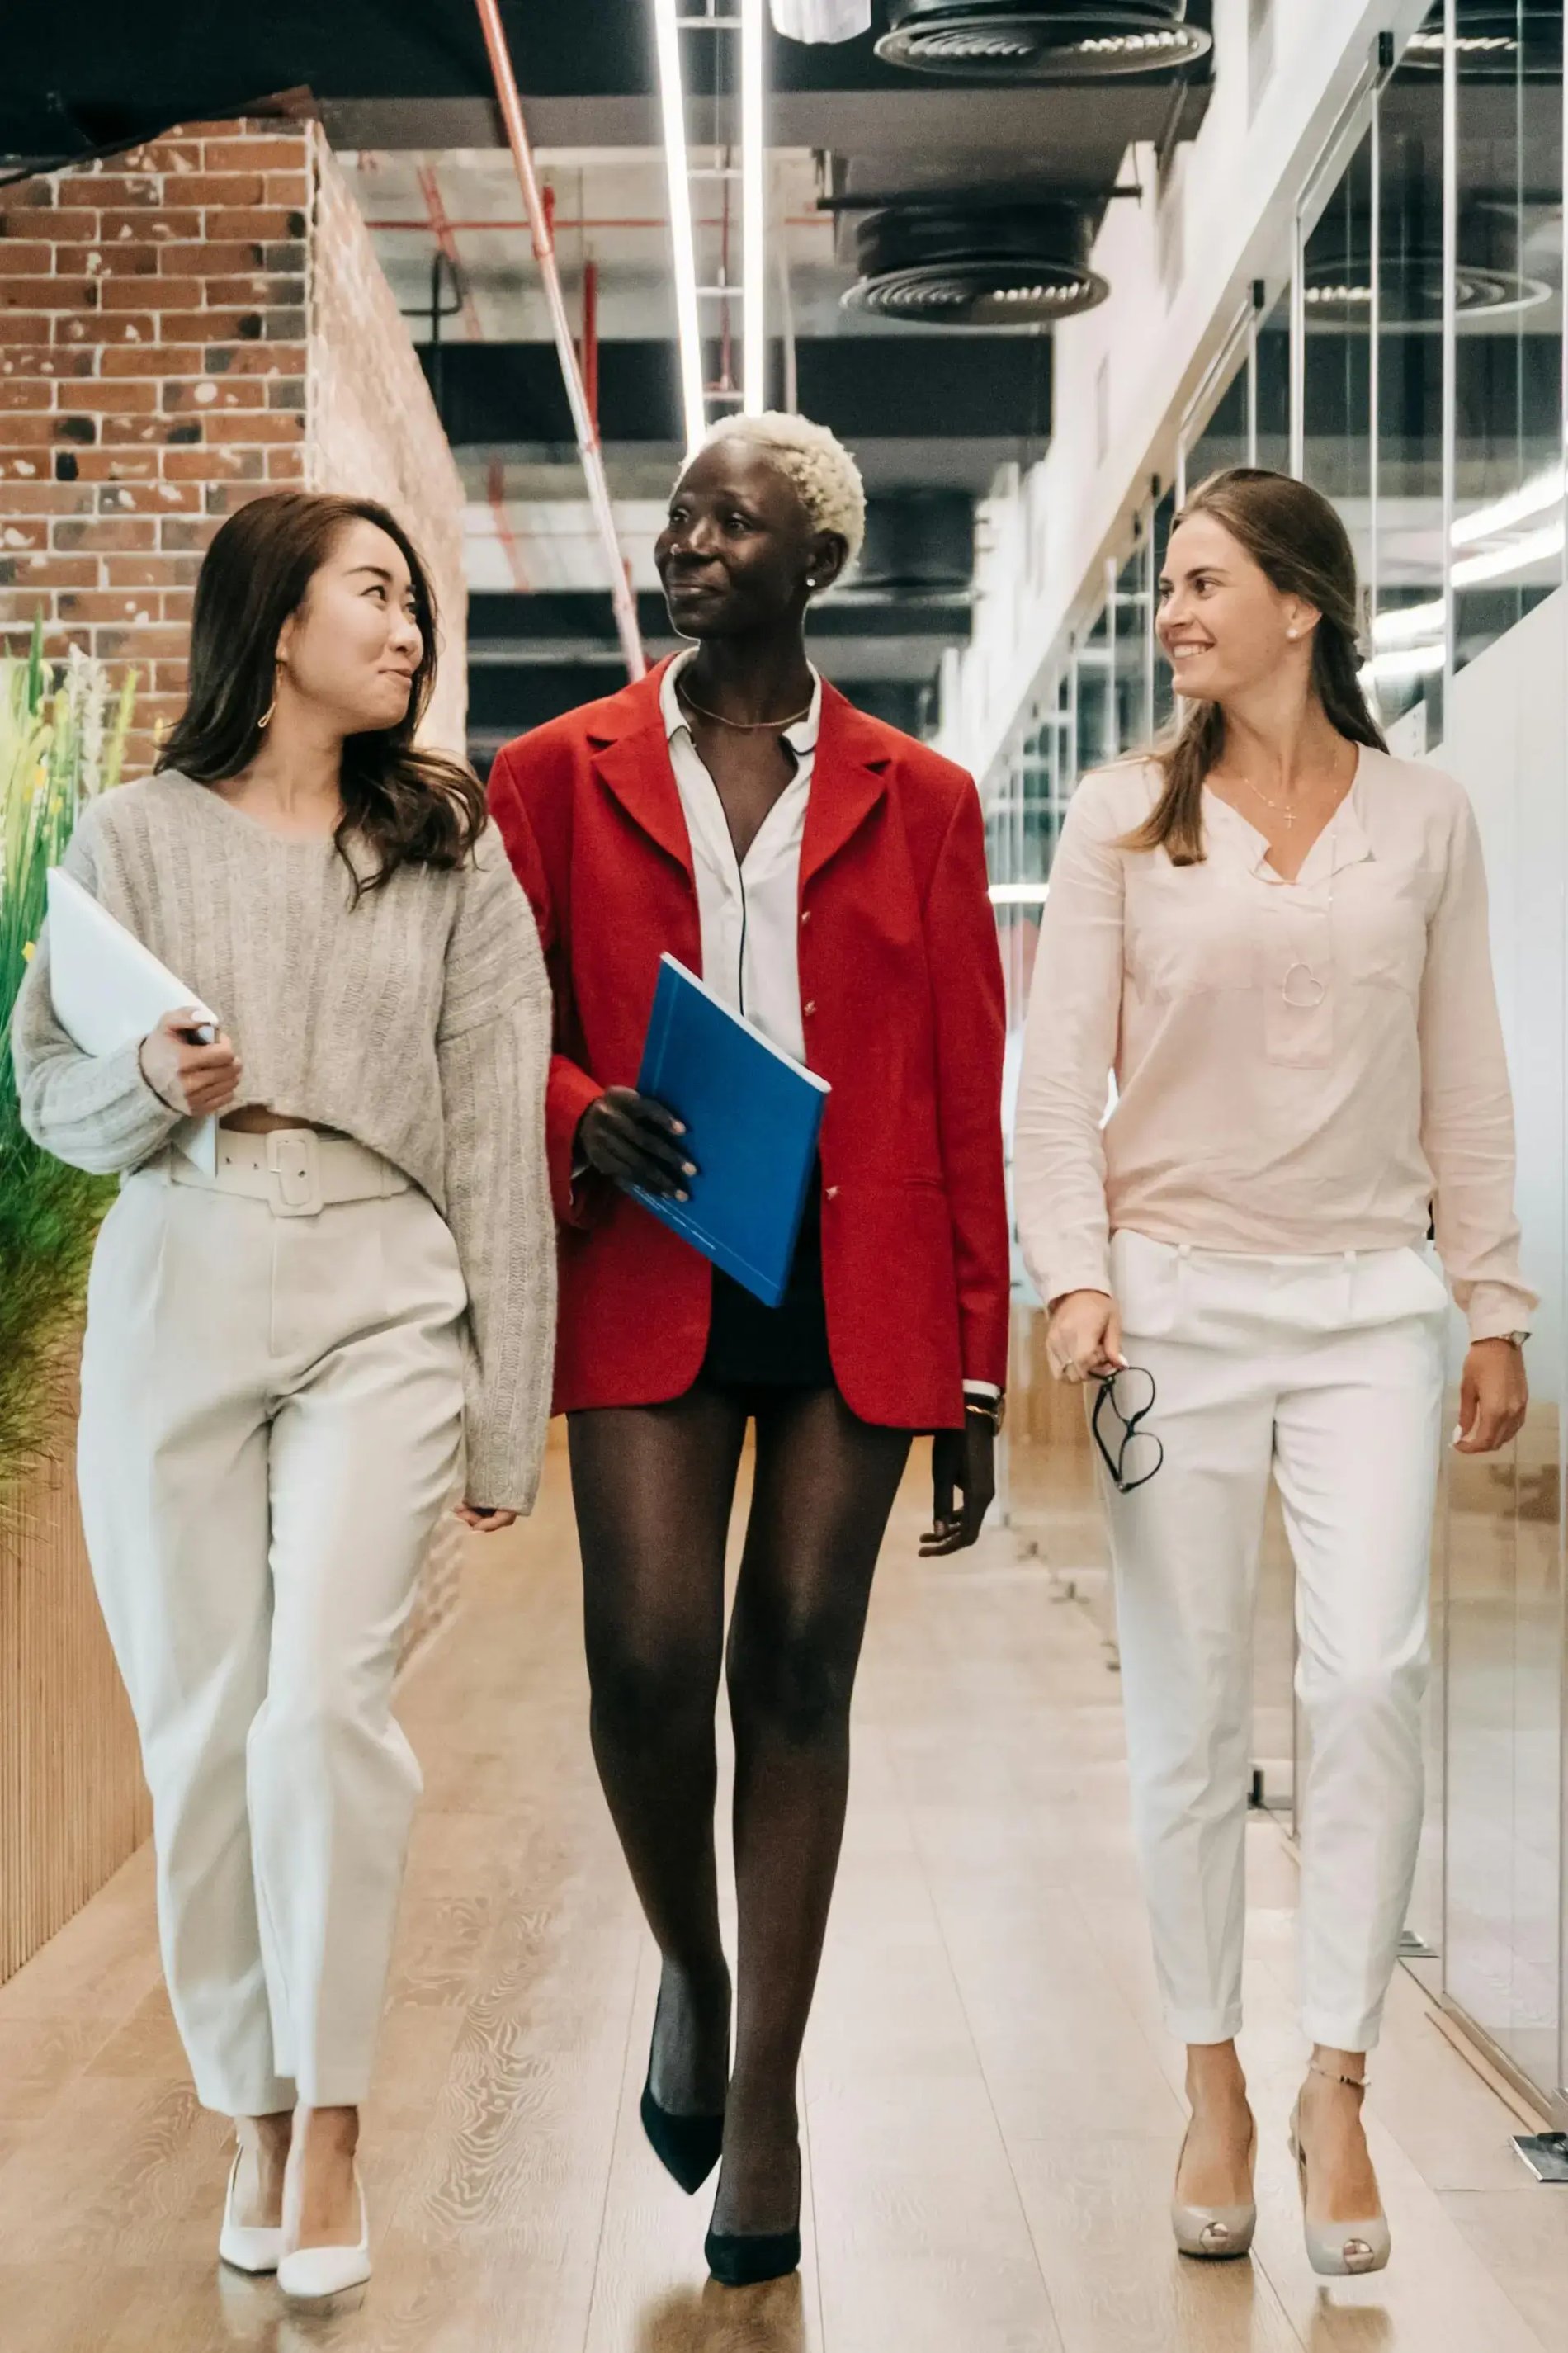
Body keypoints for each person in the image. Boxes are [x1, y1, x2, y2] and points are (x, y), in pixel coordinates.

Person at [12, 490, 555, 2303]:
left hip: (380, 1283)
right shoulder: (130, 837)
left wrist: (506, 1409)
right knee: (203, 1723)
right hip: (180, 1254)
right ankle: (247, 2106)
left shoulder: (449, 851)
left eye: (416, 604)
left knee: (322, 1704)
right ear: (276, 618)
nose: (408, 632)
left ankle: (331, 2125)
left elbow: (494, 1133)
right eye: (376, 594)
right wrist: (153, 1075)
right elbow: (46, 1096)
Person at [489, 412, 1010, 2288]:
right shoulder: (550, 773)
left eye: (737, 519)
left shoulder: (921, 798)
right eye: (685, 511)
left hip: (848, 1278)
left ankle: (767, 2098)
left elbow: (964, 1080)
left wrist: (974, 1364)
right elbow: (499, 1013)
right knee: (644, 1656)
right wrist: (571, 1104)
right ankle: (691, 1976)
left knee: (796, 1665)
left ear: (818, 565)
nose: (691, 535)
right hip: (646, 1252)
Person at [1014, 466, 1533, 2280]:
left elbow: (1462, 1067)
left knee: (1371, 1670)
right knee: (1185, 1716)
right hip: (1168, 1310)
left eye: (1200, 581)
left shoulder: (1423, 818)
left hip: (1364, 1311)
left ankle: (1336, 2076)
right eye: (1162, 586)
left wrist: (1488, 1299)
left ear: (1297, 607)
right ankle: (1210, 2074)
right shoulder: (1117, 824)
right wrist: (1073, 1286)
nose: (1169, 613)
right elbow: (1047, 1082)